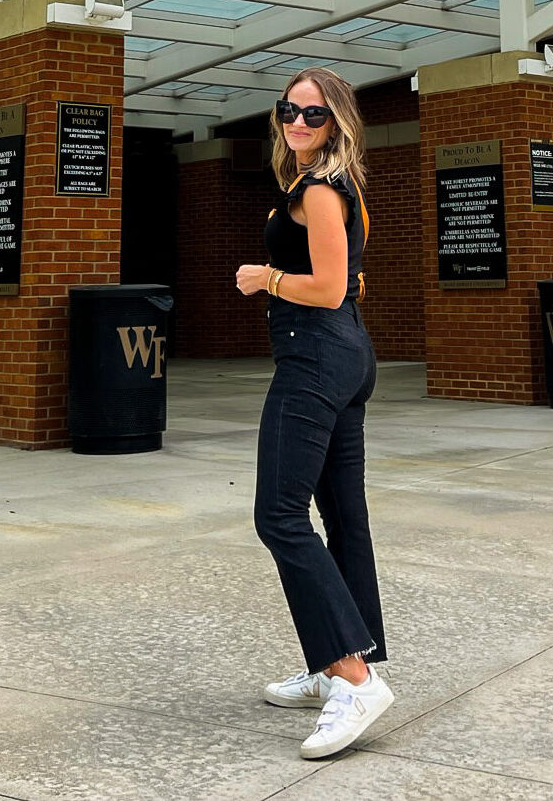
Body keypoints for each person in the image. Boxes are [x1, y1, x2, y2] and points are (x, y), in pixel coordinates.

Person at [236, 67, 393, 759]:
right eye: (288, 110)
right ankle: (339, 664)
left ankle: (353, 680)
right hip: (348, 352)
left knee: (277, 513)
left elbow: (329, 288)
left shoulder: (322, 188)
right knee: (342, 516)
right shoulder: (340, 186)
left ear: (338, 122)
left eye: (314, 114)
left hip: (316, 357)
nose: (297, 122)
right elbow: (354, 275)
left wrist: (263, 277)